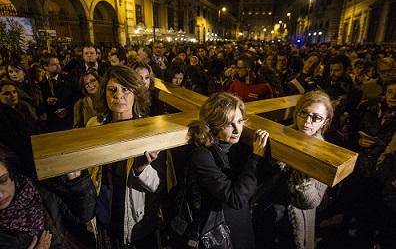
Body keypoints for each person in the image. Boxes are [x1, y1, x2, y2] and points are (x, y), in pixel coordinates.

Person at [87, 65, 167, 249]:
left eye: (126, 89)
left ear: (136, 94)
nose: (118, 95)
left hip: (137, 224)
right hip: (104, 219)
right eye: (112, 89)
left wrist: (141, 168)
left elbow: (157, 185)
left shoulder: (149, 131)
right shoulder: (94, 127)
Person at [186, 92, 270, 249]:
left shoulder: (238, 145)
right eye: (228, 124)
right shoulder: (202, 155)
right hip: (218, 229)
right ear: (214, 124)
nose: (237, 129)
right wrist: (256, 158)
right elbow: (235, 199)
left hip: (240, 222)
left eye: (239, 121)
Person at [253, 90, 333, 249]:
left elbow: (311, 202)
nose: (307, 121)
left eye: (316, 117)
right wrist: (260, 156)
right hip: (264, 210)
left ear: (324, 122)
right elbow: (260, 177)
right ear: (296, 113)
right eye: (304, 113)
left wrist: (303, 177)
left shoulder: (324, 153)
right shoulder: (280, 136)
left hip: (292, 220)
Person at [0, 148, 96, 248]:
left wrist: (77, 182)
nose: (0, 195)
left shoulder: (37, 190)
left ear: (11, 173)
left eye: (3, 180)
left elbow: (82, 216)